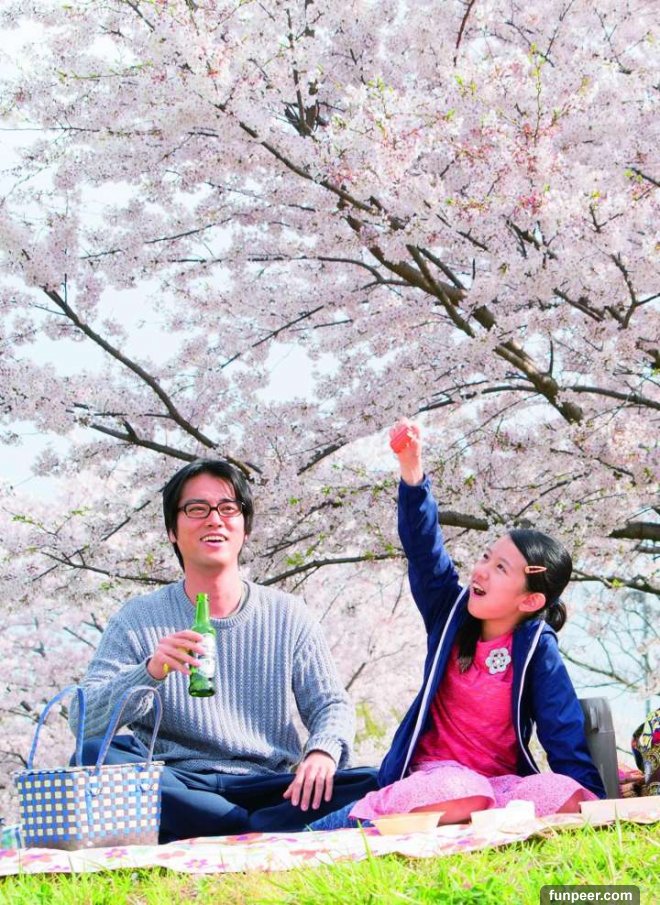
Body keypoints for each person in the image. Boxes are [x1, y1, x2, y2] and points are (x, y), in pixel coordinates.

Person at [310, 419, 605, 830]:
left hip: (501, 787)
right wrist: (412, 471)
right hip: (438, 780)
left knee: (564, 792)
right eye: (486, 557)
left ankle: (480, 818)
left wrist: (593, 803)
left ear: (530, 600)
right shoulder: (448, 611)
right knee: (458, 790)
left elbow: (562, 728)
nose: (480, 571)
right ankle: (358, 820)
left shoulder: (537, 647)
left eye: (500, 568)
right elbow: (424, 550)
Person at [69, 458, 378, 842]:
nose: (214, 519)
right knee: (93, 757)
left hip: (270, 785)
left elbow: (330, 704)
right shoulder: (137, 619)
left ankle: (228, 827)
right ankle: (256, 829)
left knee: (379, 778)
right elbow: (83, 721)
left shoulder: (288, 614)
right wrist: (149, 671)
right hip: (179, 783)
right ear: (172, 531)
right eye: (197, 509)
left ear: (244, 528)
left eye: (228, 508)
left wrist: (322, 753)